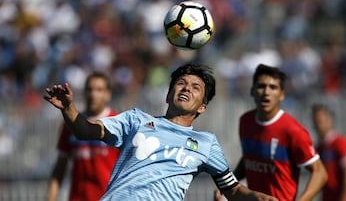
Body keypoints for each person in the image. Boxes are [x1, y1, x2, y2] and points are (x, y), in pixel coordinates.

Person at [44, 63, 278, 201]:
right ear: (168, 95)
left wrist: (257, 198)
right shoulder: (135, 120)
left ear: (203, 107)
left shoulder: (206, 144)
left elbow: (233, 188)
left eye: (196, 87)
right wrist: (69, 108)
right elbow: (86, 131)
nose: (187, 88)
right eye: (181, 83)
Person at [216, 64, 328, 201]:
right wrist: (227, 185)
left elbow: (320, 172)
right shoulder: (246, 121)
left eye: (273, 87)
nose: (266, 92)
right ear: (252, 91)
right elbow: (248, 160)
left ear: (282, 95)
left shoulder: (292, 130)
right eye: (261, 86)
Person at [47, 72, 120, 201]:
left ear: (108, 94)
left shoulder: (117, 123)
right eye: (89, 89)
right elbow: (60, 167)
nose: (93, 94)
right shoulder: (70, 124)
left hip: (108, 197)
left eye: (99, 90)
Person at [312, 104, 346, 201]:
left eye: (321, 120)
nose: (319, 124)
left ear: (330, 119)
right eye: (316, 121)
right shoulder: (319, 148)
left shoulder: (342, 143)